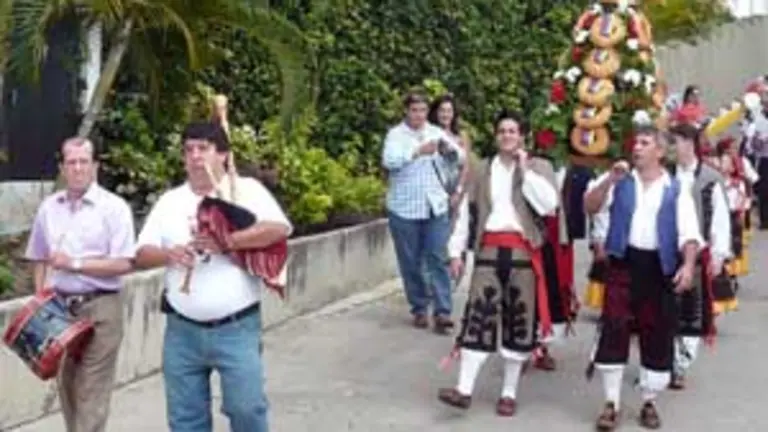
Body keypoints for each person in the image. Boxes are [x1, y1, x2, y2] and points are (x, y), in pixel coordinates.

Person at [134, 122, 292, 432]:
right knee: (185, 420)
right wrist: (170, 255)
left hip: (236, 328)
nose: (195, 157)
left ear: (223, 155)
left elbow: (279, 229)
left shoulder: (245, 190)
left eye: (203, 148)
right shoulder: (170, 201)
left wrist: (228, 242)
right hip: (182, 330)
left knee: (247, 411)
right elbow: (140, 254)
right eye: (189, 150)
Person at [438, 109, 559, 417]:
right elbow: (466, 213)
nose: (507, 135)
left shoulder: (536, 168)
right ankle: (464, 389)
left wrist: (524, 171)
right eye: (502, 131)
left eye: (512, 131)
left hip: (522, 253)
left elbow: (549, 206)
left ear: (522, 136)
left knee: (519, 322)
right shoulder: (481, 170)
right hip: (488, 251)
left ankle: (509, 392)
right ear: (496, 136)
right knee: (478, 316)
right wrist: (455, 253)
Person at [584, 124, 701, 430]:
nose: (636, 148)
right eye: (636, 143)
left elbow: (689, 234)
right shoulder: (619, 181)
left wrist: (688, 266)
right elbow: (589, 206)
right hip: (623, 263)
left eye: (645, 143)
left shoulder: (676, 190)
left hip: (658, 268)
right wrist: (609, 179)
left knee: (657, 333)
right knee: (614, 327)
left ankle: (649, 400)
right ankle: (611, 404)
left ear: (660, 152)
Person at [25, 137, 135, 432]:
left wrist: (74, 263)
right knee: (69, 389)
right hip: (60, 312)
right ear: (62, 167)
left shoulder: (114, 208)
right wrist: (41, 299)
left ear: (95, 165)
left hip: (101, 308)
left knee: (91, 392)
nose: (77, 168)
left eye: (83, 161)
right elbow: (38, 257)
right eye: (71, 162)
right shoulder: (49, 208)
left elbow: (124, 263)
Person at [382, 89, 465, 334]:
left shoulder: (436, 133)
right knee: (410, 261)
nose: (419, 115)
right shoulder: (395, 135)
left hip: (434, 206)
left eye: (423, 110)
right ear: (406, 111)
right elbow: (389, 161)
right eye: (414, 110)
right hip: (404, 208)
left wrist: (446, 151)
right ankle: (419, 306)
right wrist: (417, 152)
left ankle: (443, 311)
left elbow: (458, 158)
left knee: (437, 257)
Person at [667, 124, 731, 390]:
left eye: (677, 142)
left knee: (690, 312)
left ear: (690, 144)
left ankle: (680, 364)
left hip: (697, 253)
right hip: (666, 251)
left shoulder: (710, 178)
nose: (672, 148)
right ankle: (664, 362)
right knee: (664, 309)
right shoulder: (663, 175)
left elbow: (720, 218)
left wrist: (718, 255)